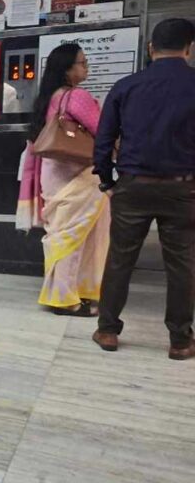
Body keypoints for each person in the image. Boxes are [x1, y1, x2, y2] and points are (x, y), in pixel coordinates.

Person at [92, 18, 195, 359]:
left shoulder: (126, 86)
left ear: (151, 48)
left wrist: (106, 180)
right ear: (189, 49)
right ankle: (180, 340)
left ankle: (108, 330)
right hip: (183, 189)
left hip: (132, 186)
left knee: (120, 259)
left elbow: (104, 139)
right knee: (181, 264)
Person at [17, 43, 109, 318]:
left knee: (63, 234)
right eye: (82, 63)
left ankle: (70, 291)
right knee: (76, 237)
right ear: (67, 69)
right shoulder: (77, 97)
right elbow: (103, 130)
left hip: (53, 173)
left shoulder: (49, 98)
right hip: (78, 174)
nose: (86, 67)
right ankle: (65, 298)